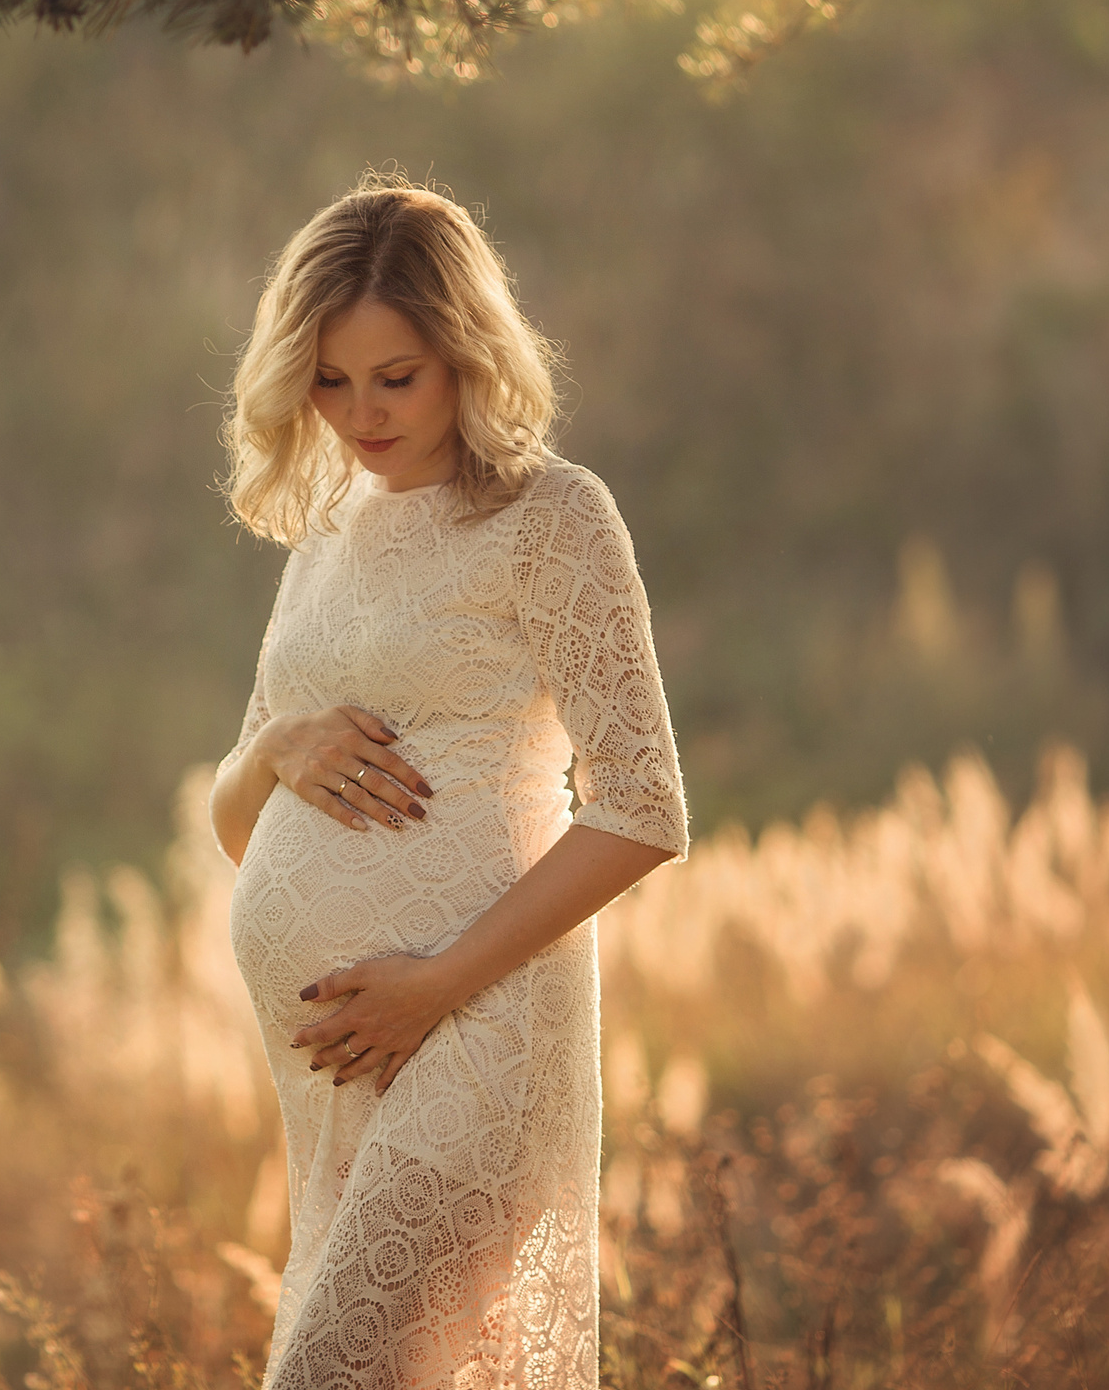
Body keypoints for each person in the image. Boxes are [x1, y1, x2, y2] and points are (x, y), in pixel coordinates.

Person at [210, 179, 689, 1390]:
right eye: (329, 379)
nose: (360, 411)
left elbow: (642, 807)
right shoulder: (326, 525)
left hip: (474, 1030)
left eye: (396, 376)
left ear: (467, 355)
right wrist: (276, 750)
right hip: (338, 1064)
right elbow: (237, 828)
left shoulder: (553, 518)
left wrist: (432, 985)